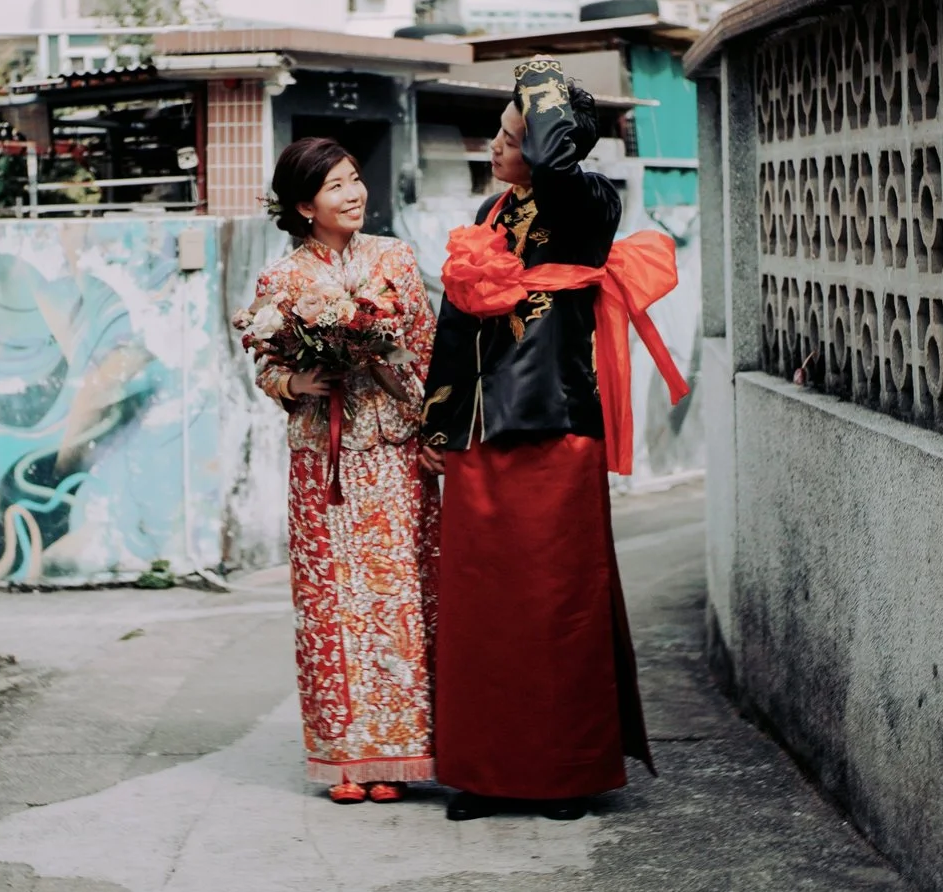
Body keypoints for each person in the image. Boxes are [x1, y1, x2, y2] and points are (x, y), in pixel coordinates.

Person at [421, 58, 680, 822]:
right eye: (499, 137)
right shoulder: (490, 215)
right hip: (482, 434)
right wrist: (437, 424)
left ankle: (561, 777)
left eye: (510, 137)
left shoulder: (587, 202)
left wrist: (539, 78)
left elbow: (557, 156)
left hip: (558, 429)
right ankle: (482, 772)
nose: (496, 150)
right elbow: (456, 326)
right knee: (482, 613)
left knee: (554, 608)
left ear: (542, 143)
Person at [244, 138, 440, 804]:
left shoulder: (396, 260)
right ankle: (345, 760)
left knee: (398, 600)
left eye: (355, 179)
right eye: (335, 186)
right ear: (305, 206)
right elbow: (265, 365)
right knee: (332, 604)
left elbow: (426, 349)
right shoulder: (282, 281)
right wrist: (296, 381)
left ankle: (399, 755)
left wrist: (434, 433)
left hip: (393, 450)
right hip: (321, 464)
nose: (353, 193)